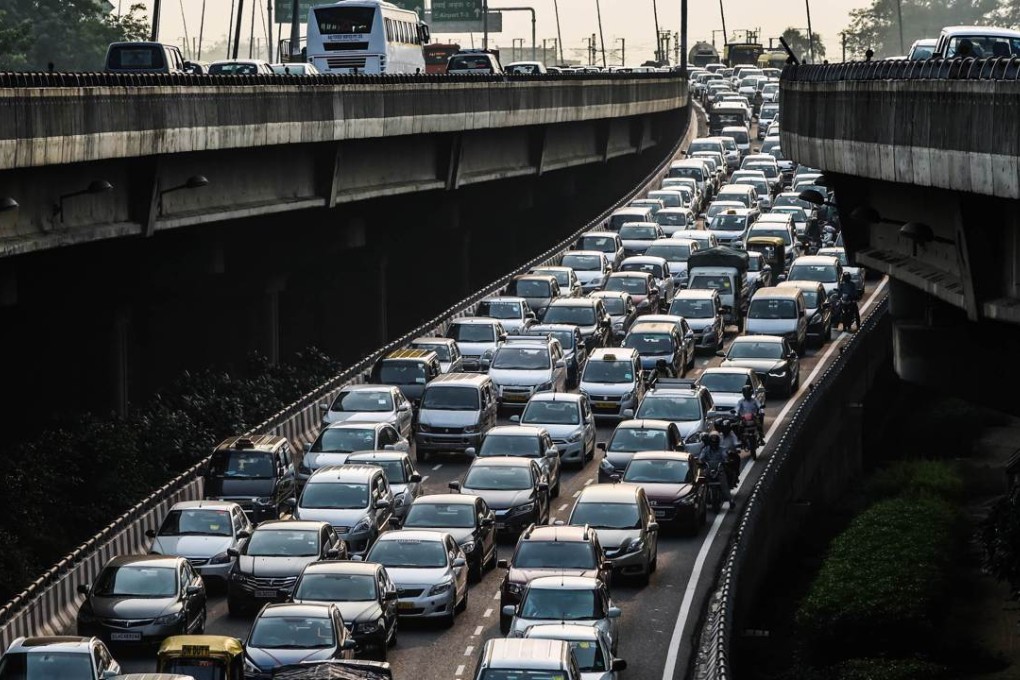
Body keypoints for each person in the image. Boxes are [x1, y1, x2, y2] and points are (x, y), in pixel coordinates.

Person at [697, 432, 734, 509]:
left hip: (719, 470)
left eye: (715, 440)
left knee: (724, 484)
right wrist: (701, 461)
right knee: (701, 483)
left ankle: (731, 500)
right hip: (708, 470)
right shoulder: (705, 449)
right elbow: (701, 458)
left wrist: (726, 460)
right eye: (712, 440)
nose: (714, 442)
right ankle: (700, 501)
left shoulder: (721, 449)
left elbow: (725, 455)